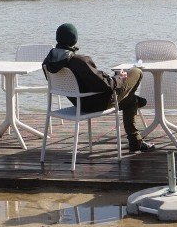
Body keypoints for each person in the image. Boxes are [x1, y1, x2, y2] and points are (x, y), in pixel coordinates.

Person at [42, 23, 156, 153]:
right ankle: (129, 96)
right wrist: (119, 78)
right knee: (136, 71)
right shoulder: (79, 61)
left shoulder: (48, 62)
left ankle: (136, 140)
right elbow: (107, 86)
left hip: (79, 103)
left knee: (132, 102)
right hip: (97, 104)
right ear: (75, 39)